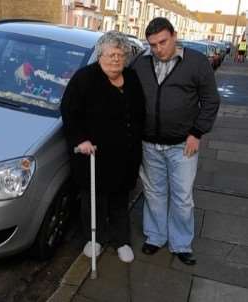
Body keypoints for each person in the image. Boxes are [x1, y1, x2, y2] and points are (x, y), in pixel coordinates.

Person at [131, 17, 220, 265]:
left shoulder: (197, 62)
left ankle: (181, 244)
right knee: (154, 193)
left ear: (174, 36)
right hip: (149, 144)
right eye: (153, 44)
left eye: (163, 42)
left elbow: (211, 100)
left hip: (183, 144)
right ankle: (155, 237)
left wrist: (197, 132)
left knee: (182, 197)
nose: (159, 49)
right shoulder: (140, 62)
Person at [61, 31, 145, 263]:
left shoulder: (131, 78)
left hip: (125, 156)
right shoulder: (85, 78)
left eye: (120, 54)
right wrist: (81, 140)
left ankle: (122, 241)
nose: (116, 59)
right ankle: (94, 239)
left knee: (120, 200)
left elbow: (139, 114)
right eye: (110, 54)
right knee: (94, 200)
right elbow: (69, 112)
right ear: (100, 55)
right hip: (95, 155)